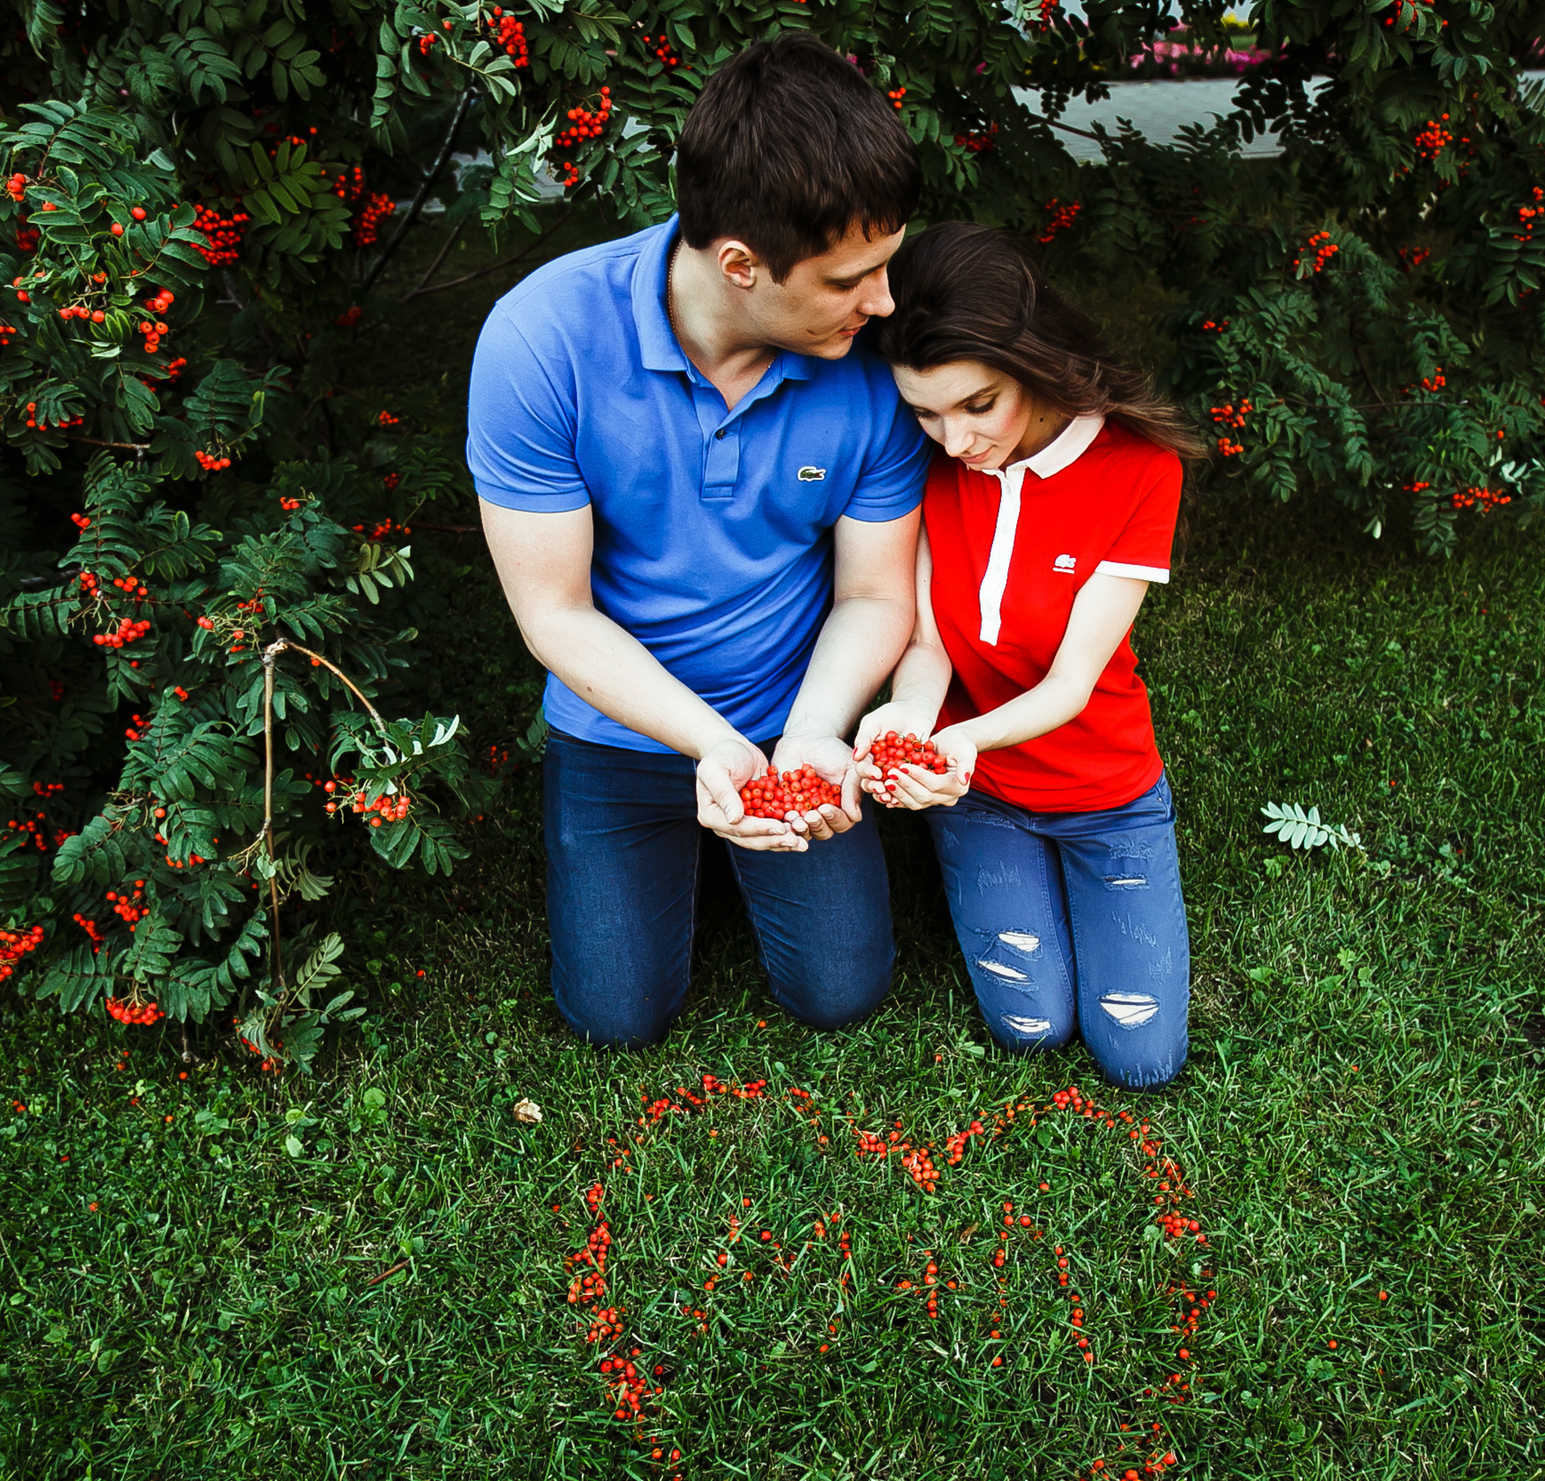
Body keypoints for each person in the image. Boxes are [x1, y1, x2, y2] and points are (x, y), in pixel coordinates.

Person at [467, 35, 929, 1048]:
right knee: (614, 1015)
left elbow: (875, 595)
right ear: (740, 265)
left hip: (794, 713)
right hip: (618, 724)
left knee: (840, 993)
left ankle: (741, 843)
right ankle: (678, 835)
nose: (885, 301)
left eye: (886, 266)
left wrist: (811, 736)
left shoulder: (875, 362)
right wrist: (713, 747)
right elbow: (555, 615)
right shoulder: (540, 339)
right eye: (850, 278)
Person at [854, 223, 1202, 1090]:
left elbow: (1072, 683)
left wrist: (964, 738)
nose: (954, 441)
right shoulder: (928, 462)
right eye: (925, 412)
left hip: (1105, 793)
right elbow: (928, 639)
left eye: (979, 405)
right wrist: (910, 720)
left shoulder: (1139, 468)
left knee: (1141, 1058)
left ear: (1033, 361)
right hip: (979, 797)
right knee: (1030, 1028)